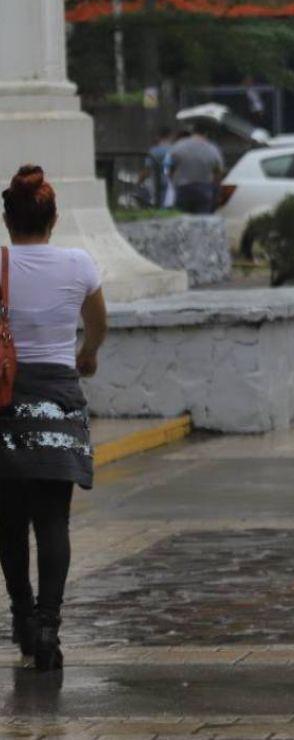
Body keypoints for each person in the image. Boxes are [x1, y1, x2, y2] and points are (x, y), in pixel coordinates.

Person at [0, 166, 107, 672]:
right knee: (52, 520)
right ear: (54, 218)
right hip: (58, 403)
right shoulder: (79, 263)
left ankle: (21, 616)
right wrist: (86, 355)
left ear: (6, 219)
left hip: (5, 403)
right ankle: (48, 627)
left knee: (9, 523)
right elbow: (97, 324)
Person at [170, 123, 225, 214]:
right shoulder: (213, 149)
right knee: (201, 221)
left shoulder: (179, 146)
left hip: (183, 188)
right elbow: (218, 173)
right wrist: (216, 192)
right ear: (206, 133)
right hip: (204, 189)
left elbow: (169, 166)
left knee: (181, 220)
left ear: (193, 132)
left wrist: (173, 181)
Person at [140, 128, 177, 209]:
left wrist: (140, 180)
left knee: (158, 202)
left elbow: (147, 169)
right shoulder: (175, 150)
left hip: (156, 180)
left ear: (158, 137)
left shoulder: (154, 151)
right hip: (172, 180)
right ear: (171, 137)